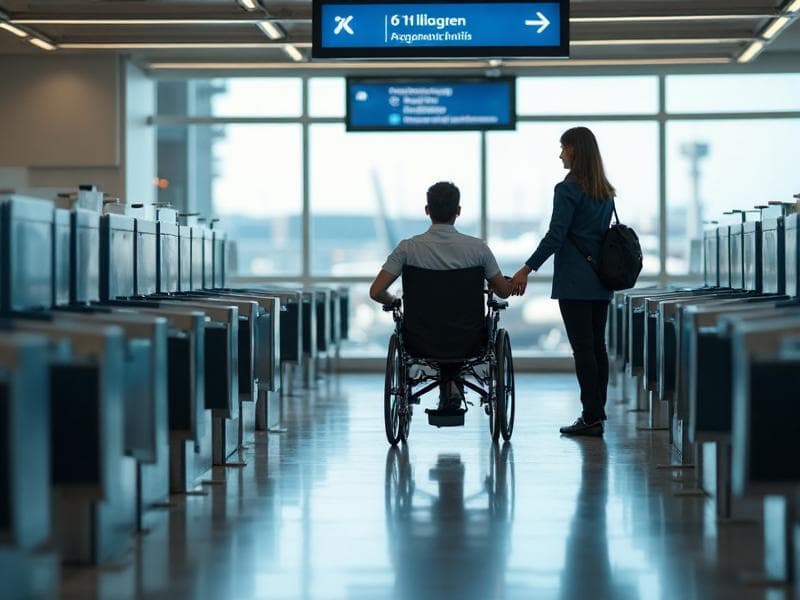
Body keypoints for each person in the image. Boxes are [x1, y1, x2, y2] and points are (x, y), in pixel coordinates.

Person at [370, 181, 514, 410]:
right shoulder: (478, 249)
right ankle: (453, 389)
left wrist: (394, 301)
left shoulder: (407, 249)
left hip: (420, 339)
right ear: (458, 211)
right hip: (469, 340)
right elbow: (503, 291)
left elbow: (376, 291)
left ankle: (448, 390)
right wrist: (514, 282)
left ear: (427, 210)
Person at [510, 127, 615, 437]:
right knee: (597, 348)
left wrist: (526, 269)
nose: (560, 154)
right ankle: (597, 412)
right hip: (600, 280)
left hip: (575, 282)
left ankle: (591, 416)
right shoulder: (605, 192)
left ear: (575, 151)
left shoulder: (567, 189)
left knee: (583, 350)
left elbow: (555, 236)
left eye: (563, 148)